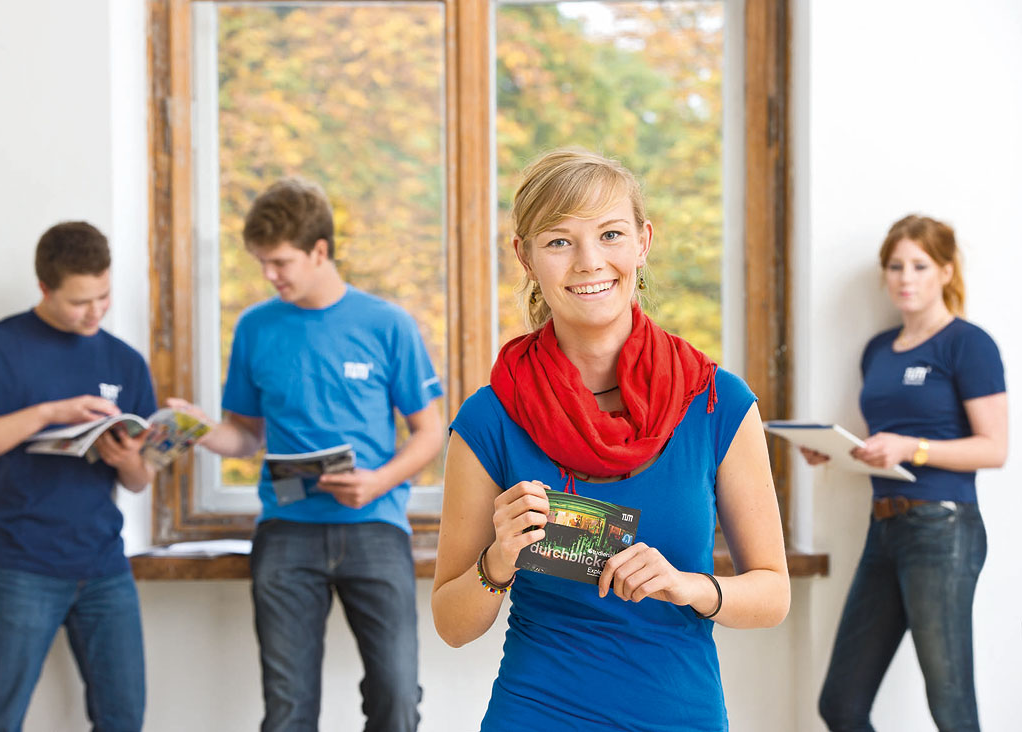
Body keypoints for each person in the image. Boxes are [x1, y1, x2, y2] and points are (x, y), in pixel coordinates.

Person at [431, 149, 790, 731]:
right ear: (524, 257)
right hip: (537, 713)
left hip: (679, 715)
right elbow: (452, 624)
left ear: (643, 242)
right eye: (559, 241)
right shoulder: (491, 418)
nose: (589, 262)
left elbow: (773, 595)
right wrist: (498, 559)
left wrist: (688, 586)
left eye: (611, 234)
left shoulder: (717, 402)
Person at [169, 177, 444, 732]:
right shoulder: (254, 328)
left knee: (396, 697)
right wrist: (196, 429)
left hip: (375, 527)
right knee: (288, 709)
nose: (270, 276)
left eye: (280, 262)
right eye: (262, 263)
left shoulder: (387, 324)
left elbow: (431, 432)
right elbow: (245, 437)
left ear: (320, 251)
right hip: (286, 533)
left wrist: (378, 481)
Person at [0, 221, 157, 732]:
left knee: (124, 719)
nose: (96, 312)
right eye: (80, 301)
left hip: (105, 567)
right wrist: (47, 414)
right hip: (20, 567)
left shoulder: (125, 361)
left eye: (104, 295)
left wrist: (125, 459)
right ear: (44, 287)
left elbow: (140, 479)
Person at [813, 215, 1008, 732]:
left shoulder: (968, 344)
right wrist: (834, 452)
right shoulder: (877, 350)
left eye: (919, 265)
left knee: (950, 705)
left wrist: (912, 447)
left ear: (945, 272)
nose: (905, 277)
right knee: (841, 704)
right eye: (895, 266)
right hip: (884, 528)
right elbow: (883, 448)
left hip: (943, 529)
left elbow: (995, 449)